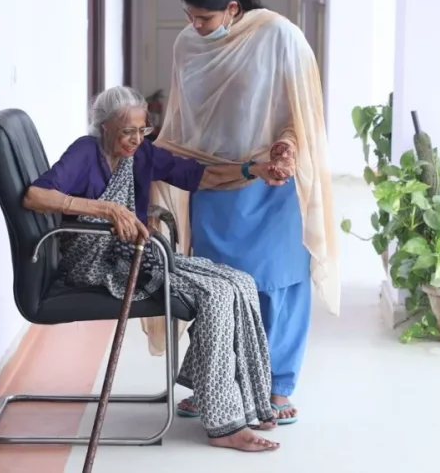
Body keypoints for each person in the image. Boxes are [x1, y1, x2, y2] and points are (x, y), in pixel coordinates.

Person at [23, 86, 295, 452]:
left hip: (135, 256)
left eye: (142, 130)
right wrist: (107, 209)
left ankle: (239, 398)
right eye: (127, 131)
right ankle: (224, 424)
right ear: (103, 128)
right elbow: (36, 196)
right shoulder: (85, 152)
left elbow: (199, 176)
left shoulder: (142, 153)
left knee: (239, 282)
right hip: (97, 265)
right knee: (214, 293)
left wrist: (252, 169)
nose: (136, 139)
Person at [147, 0, 340, 425]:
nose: (195, 25)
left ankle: (276, 387)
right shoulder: (187, 45)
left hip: (273, 179)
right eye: (190, 16)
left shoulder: (279, 36)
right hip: (216, 180)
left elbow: (304, 111)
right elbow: (183, 122)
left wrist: (286, 149)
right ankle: (218, 379)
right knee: (219, 287)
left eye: (205, 18)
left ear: (232, 9)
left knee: (280, 285)